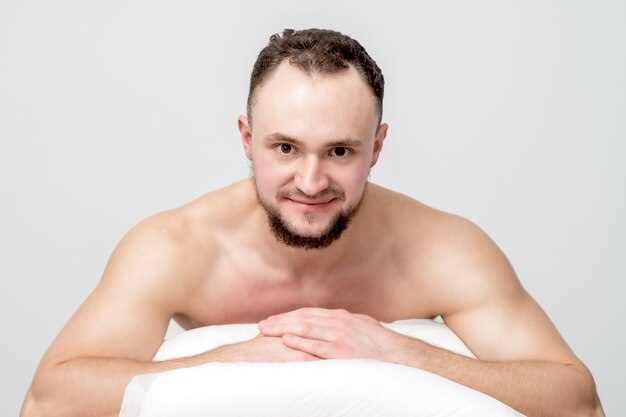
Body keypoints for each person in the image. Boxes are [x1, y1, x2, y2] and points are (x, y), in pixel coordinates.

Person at [21, 28, 604, 417]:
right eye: (285, 148)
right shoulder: (178, 247)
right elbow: (48, 401)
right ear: (248, 141)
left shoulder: (444, 249)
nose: (310, 181)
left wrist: (400, 351)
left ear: (377, 147)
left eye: (340, 152)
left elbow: (578, 401)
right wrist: (228, 357)